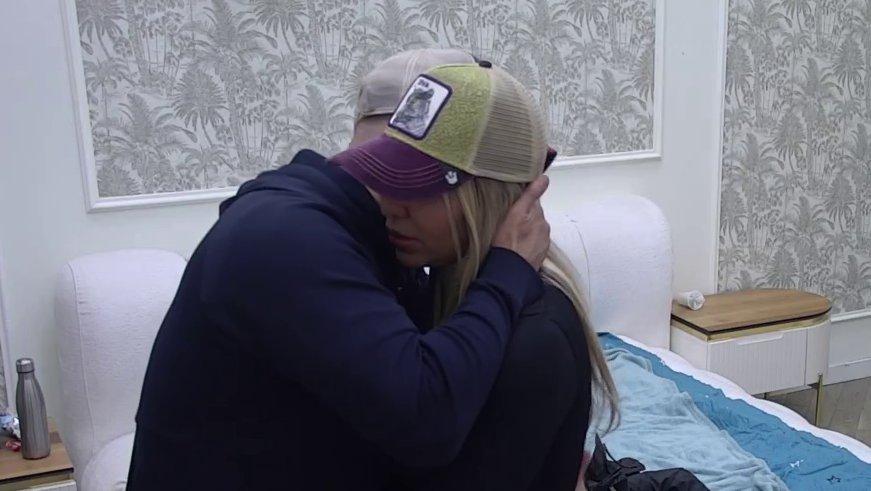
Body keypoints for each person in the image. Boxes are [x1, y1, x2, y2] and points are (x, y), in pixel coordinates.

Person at [126, 49, 551, 489]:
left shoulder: (361, 235)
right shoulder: (286, 238)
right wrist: (506, 274)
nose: (392, 201)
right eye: (389, 170)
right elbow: (427, 421)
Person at [330, 62, 620, 490]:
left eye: (416, 186)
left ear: (484, 197)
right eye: (389, 178)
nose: (390, 205)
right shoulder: (439, 286)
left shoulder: (536, 338)